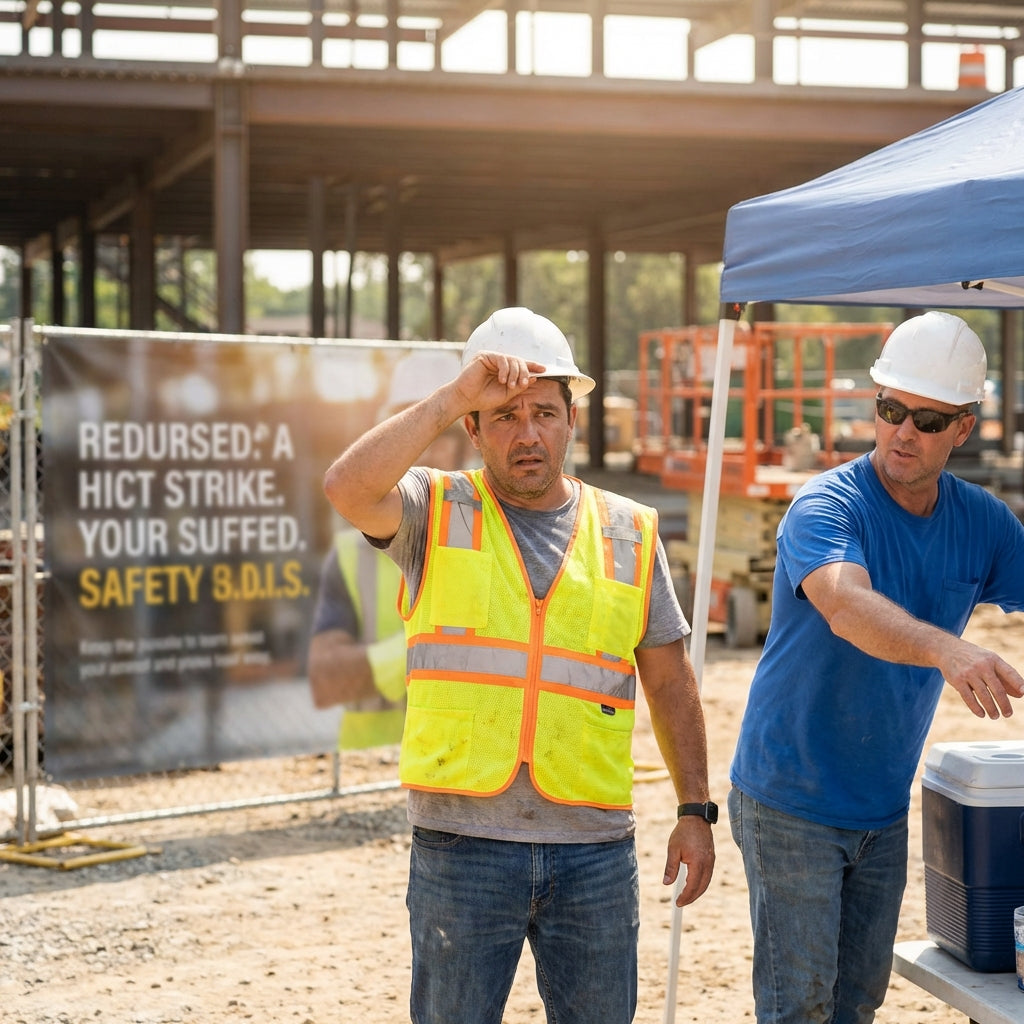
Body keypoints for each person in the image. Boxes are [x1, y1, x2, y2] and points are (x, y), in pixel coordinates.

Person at [323, 306, 715, 1024]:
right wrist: (452, 397)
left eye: (544, 413)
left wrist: (695, 809)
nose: (527, 434)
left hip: (594, 850)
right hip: (462, 847)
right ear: (472, 429)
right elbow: (346, 488)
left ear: (573, 421)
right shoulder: (434, 509)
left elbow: (669, 680)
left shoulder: (629, 531)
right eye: (503, 415)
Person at [728, 310, 1024, 1024]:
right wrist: (948, 649)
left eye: (928, 419)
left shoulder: (982, 522)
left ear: (963, 427)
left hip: (882, 807)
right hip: (790, 798)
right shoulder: (827, 505)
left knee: (857, 1002)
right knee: (800, 1008)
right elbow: (846, 605)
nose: (903, 432)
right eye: (892, 410)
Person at [308, 348, 467, 749]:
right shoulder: (351, 555)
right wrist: (432, 651)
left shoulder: (498, 541)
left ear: (467, 440)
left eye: (441, 435)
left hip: (463, 766)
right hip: (372, 764)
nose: (425, 450)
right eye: (411, 433)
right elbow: (326, 682)